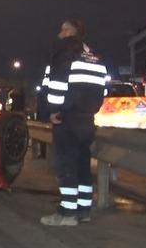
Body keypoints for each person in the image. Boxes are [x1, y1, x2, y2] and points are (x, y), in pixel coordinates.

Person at [40, 19, 107, 227]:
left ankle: (67, 213)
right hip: (87, 119)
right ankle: (83, 209)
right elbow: (102, 89)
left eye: (62, 29)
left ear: (70, 32)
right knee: (82, 163)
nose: (59, 33)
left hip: (67, 117)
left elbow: (57, 85)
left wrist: (53, 111)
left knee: (66, 164)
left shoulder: (64, 51)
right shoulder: (94, 56)